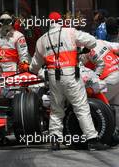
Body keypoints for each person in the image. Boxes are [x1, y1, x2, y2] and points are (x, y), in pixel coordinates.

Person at [20, 11, 108, 150]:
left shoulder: (42, 40)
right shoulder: (71, 32)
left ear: (49, 23)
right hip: (71, 76)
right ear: (60, 21)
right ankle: (92, 139)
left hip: (53, 78)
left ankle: (55, 141)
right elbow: (92, 41)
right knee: (81, 107)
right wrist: (83, 49)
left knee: (56, 109)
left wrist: (27, 66)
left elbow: (34, 67)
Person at [81, 40, 119, 128]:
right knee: (116, 107)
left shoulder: (81, 50)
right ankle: (115, 134)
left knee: (94, 105)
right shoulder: (100, 41)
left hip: (110, 78)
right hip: (116, 72)